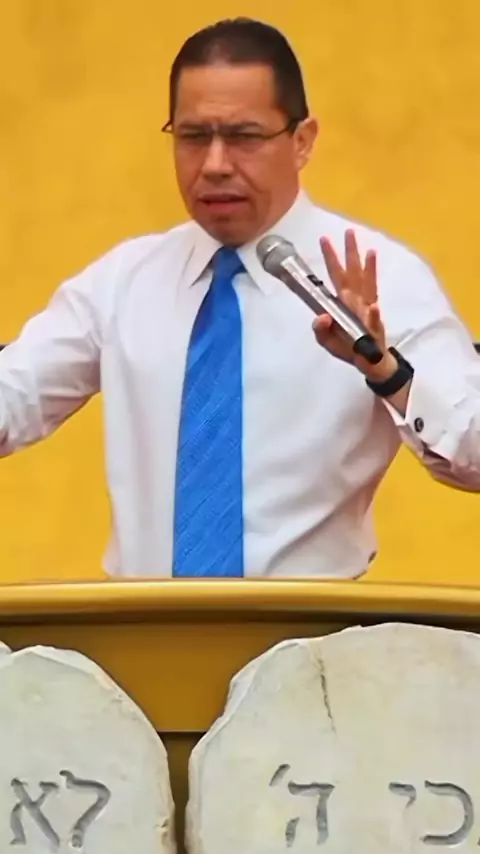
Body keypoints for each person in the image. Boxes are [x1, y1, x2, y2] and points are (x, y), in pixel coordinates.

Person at [1, 18, 480, 580]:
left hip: (313, 630)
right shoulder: (124, 281)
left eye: (244, 137)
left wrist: (387, 373)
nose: (215, 165)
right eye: (193, 136)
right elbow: (15, 397)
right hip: (142, 626)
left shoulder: (381, 280)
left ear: (302, 141)